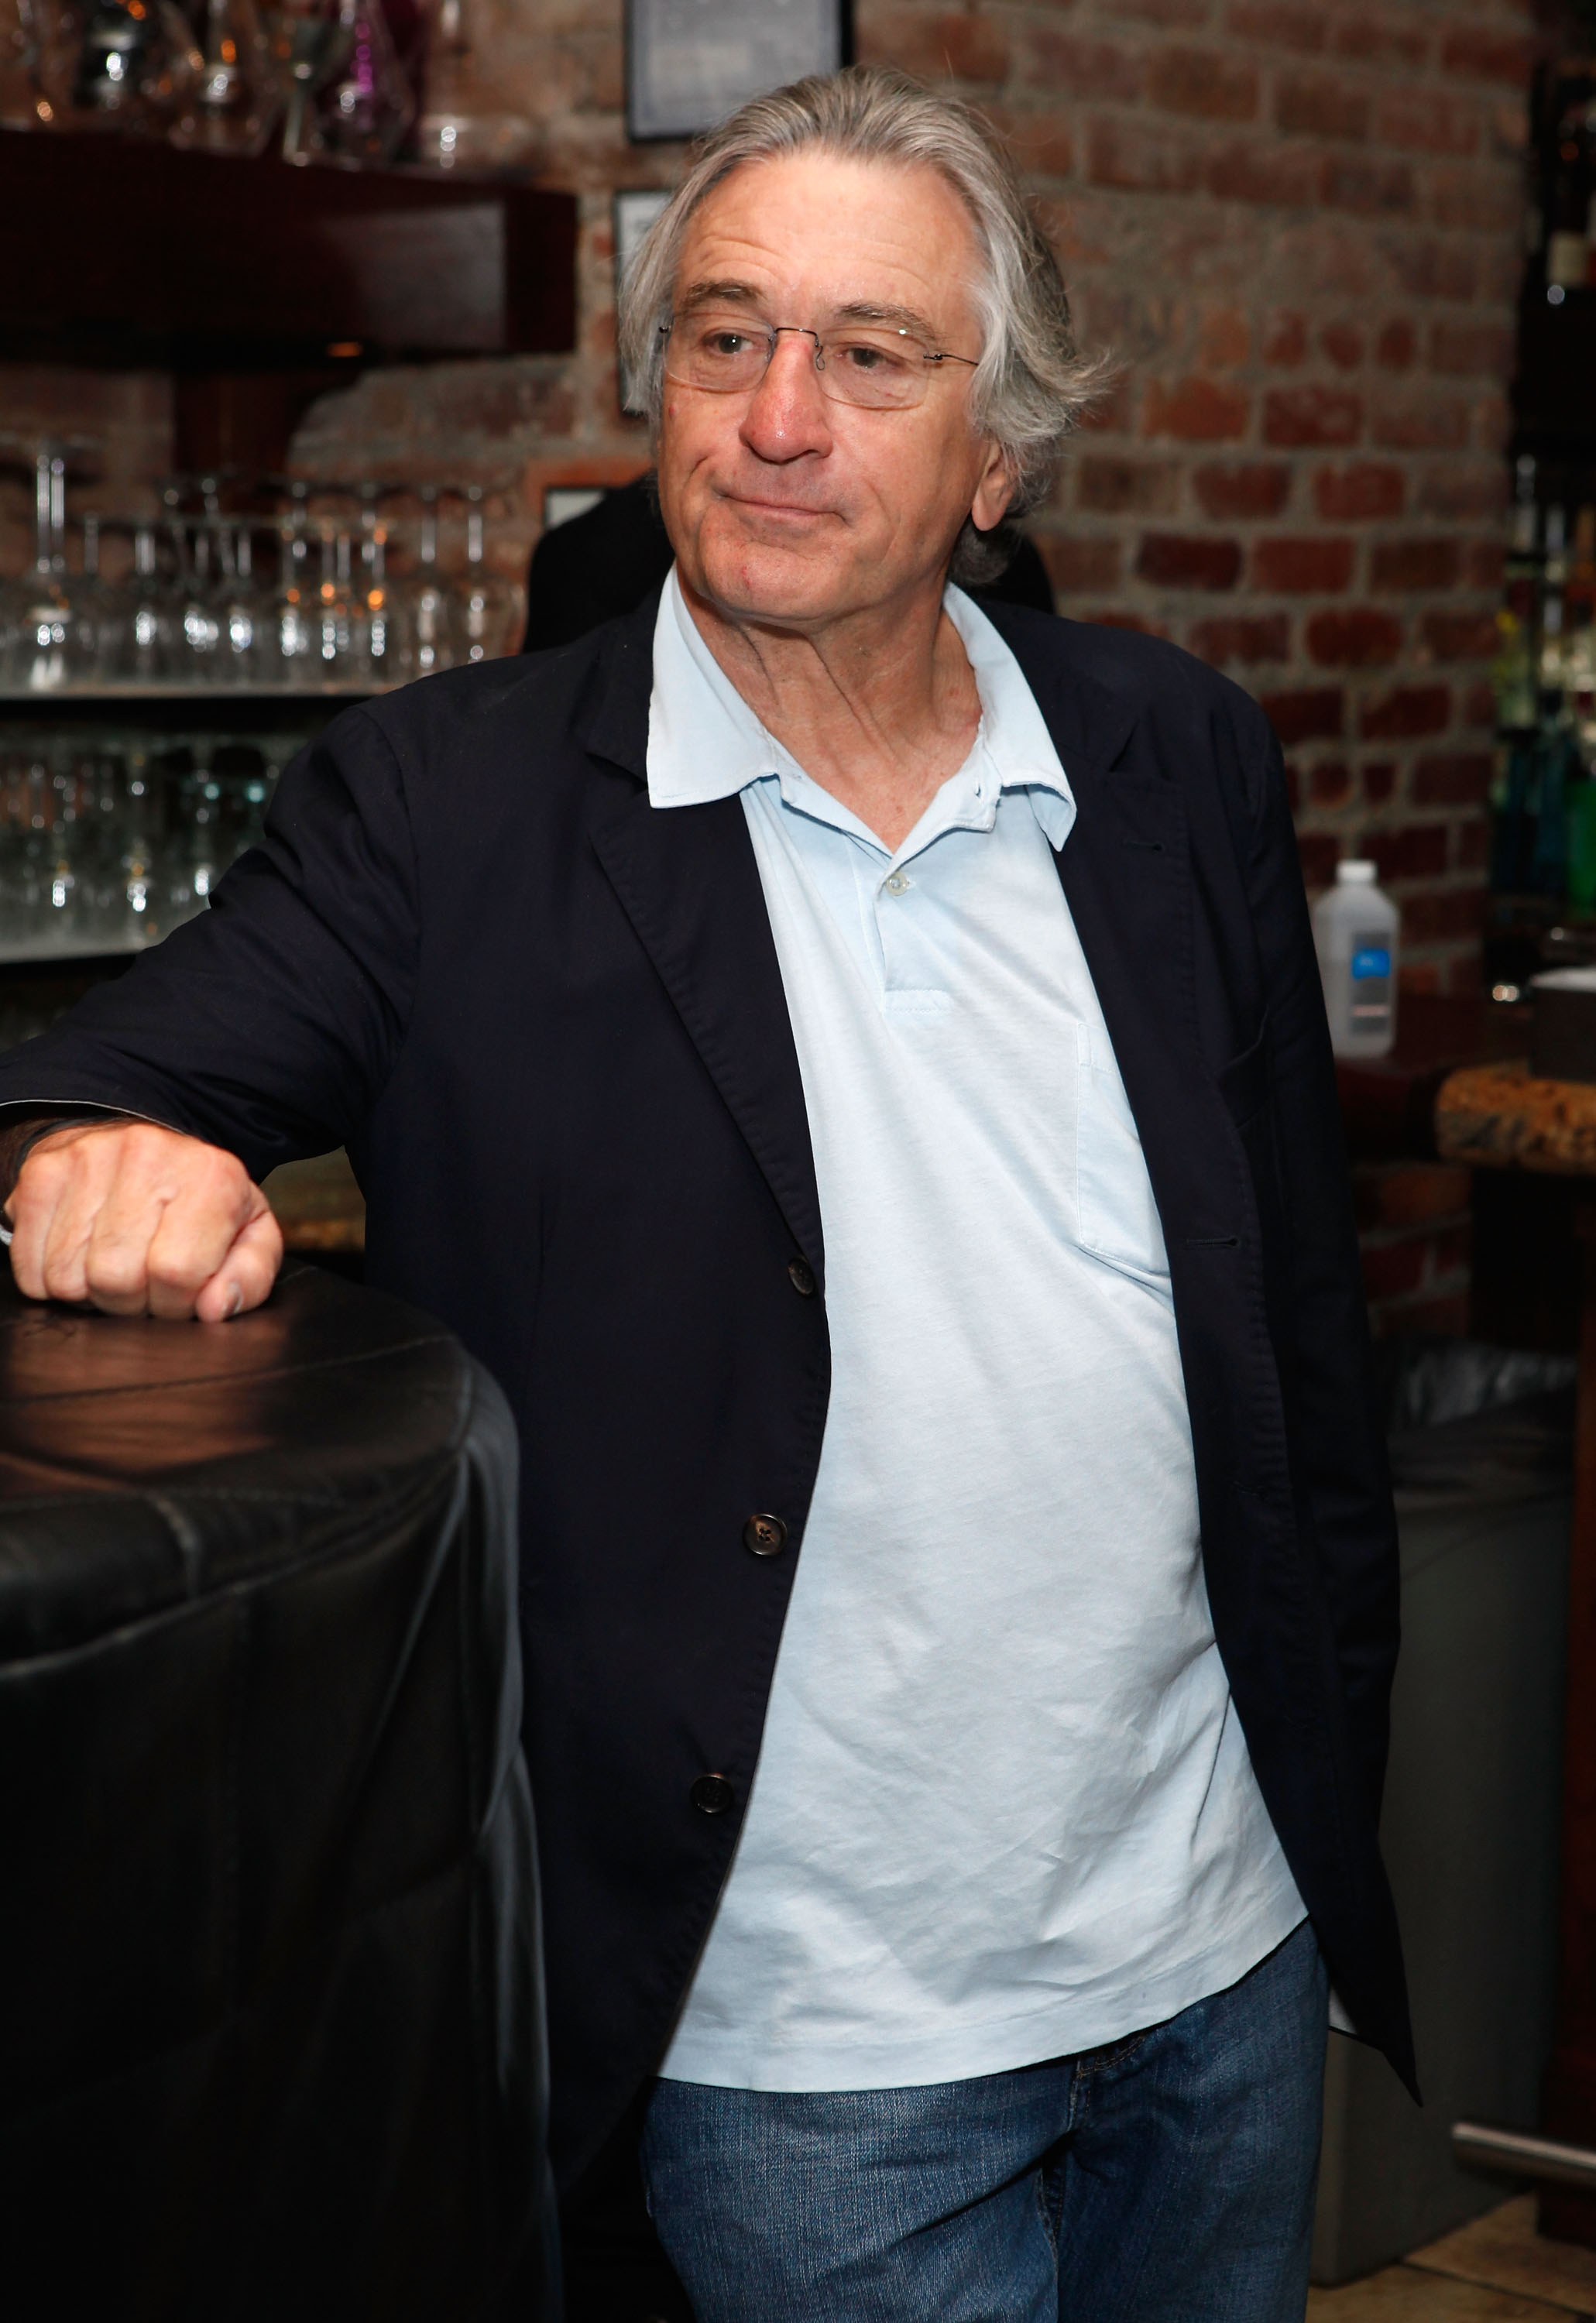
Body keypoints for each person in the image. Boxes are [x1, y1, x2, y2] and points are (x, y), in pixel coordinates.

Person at [0, 66, 1410, 2323]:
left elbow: (1301, 1351)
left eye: (873, 354)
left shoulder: (1170, 757)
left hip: (1213, 1952)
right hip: (798, 2050)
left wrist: (1329, 1823)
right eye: (726, 337)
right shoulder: (444, 809)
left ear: (999, 455)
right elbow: (82, 1089)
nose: (778, 418)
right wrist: (93, 1157)